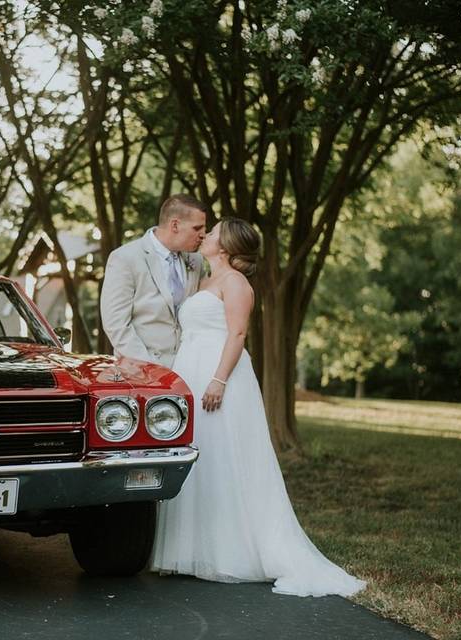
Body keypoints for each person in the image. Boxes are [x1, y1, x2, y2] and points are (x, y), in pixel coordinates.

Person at [150, 217, 366, 598]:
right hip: (190, 370)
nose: (205, 236)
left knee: (228, 459)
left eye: (213, 233)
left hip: (220, 375)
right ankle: (195, 550)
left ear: (228, 246)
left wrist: (219, 380)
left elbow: (236, 333)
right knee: (202, 459)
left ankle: (234, 553)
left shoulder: (237, 284)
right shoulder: (204, 280)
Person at [100, 194, 207, 368]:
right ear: (175, 225)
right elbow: (116, 324)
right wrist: (151, 367)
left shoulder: (196, 260)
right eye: (197, 228)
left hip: (189, 366)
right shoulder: (125, 258)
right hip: (140, 370)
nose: (203, 235)